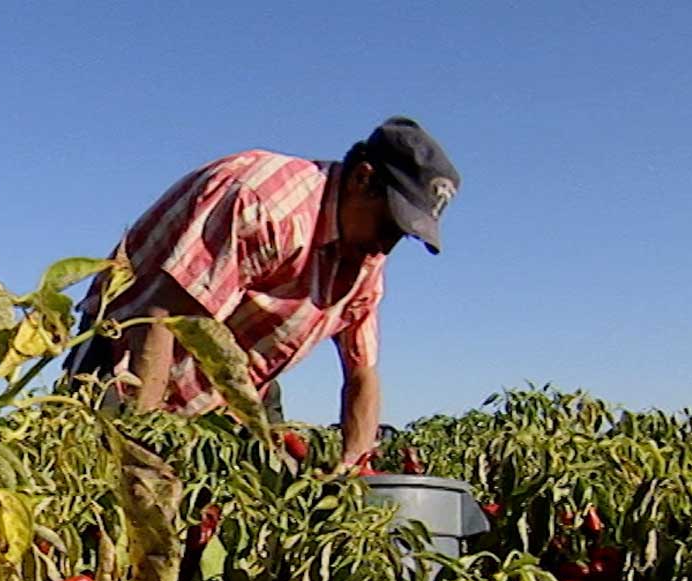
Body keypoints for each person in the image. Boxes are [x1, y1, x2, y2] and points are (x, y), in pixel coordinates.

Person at [65, 117, 459, 467]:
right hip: (126, 362)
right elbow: (161, 317)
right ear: (362, 180)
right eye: (390, 224)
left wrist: (354, 467)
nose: (387, 246)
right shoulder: (268, 204)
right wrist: (143, 442)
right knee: (105, 507)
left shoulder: (365, 255)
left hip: (235, 393)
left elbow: (362, 372)